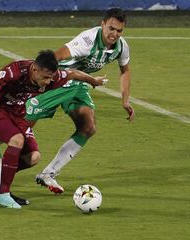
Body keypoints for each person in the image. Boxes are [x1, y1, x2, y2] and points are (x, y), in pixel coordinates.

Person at [0, 50, 107, 208]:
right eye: (45, 77)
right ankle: (2, 195)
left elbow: (72, 73)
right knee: (17, 140)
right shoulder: (15, 70)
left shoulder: (52, 76)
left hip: (17, 112)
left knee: (33, 157)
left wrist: (93, 81)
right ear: (34, 69)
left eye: (51, 78)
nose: (48, 82)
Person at [26, 8, 135, 194]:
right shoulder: (87, 41)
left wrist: (125, 100)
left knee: (88, 126)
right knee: (24, 122)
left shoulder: (121, 47)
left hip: (79, 84)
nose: (115, 34)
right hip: (60, 80)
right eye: (111, 28)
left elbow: (125, 70)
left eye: (119, 31)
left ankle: (48, 173)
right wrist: (38, 80)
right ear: (103, 24)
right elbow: (56, 57)